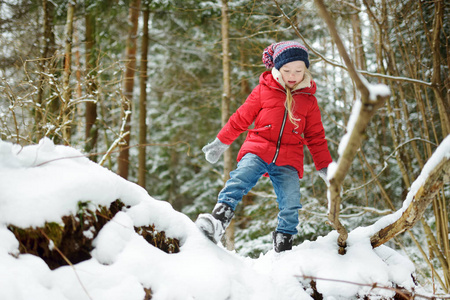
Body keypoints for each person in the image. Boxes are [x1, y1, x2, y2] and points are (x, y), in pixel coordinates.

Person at [196, 41, 332, 253]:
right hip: (257, 149)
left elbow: (315, 137)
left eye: (299, 70)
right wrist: (221, 143)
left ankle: (284, 244)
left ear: (306, 69)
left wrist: (325, 166)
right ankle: (218, 221)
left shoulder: (309, 101)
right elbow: (240, 118)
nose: (293, 75)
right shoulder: (263, 90)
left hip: (289, 158)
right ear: (278, 69)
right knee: (239, 179)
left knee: (292, 201)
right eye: (287, 70)